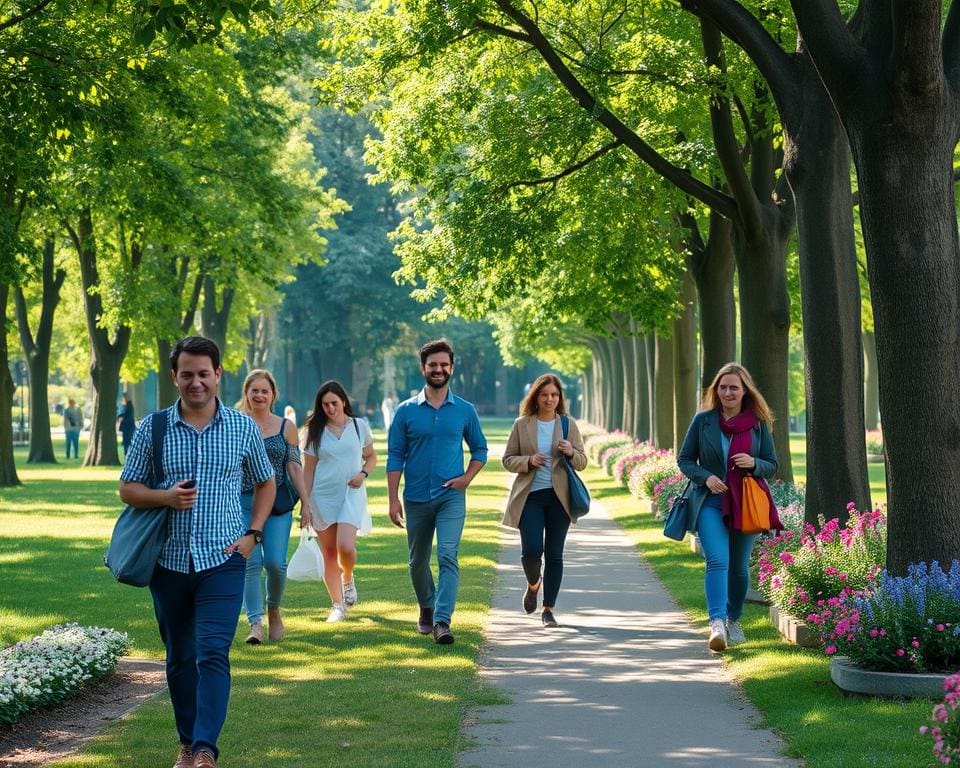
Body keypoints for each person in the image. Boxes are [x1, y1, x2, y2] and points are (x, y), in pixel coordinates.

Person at [119, 336, 275, 768]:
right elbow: (127, 489)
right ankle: (187, 742)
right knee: (180, 658)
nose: (196, 382)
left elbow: (266, 481)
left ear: (218, 375)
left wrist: (254, 533)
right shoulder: (154, 428)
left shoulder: (241, 428)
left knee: (211, 652)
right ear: (174, 377)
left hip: (224, 558)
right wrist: (165, 497)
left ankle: (205, 749)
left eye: (204, 373)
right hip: (167, 561)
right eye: (187, 374)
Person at [387, 339, 488, 645]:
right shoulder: (405, 412)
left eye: (444, 365)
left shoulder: (465, 411)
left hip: (450, 497)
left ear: (452, 368)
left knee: (447, 555)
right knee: (417, 562)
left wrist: (467, 478)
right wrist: (392, 498)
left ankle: (442, 621)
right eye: (433, 365)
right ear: (423, 368)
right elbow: (395, 456)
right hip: (416, 497)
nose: (439, 370)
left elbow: (480, 449)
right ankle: (426, 607)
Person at [677, 362, 781, 653]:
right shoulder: (703, 421)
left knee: (738, 568)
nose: (728, 392)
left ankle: (734, 618)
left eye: (734, 387)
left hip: (746, 502)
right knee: (718, 560)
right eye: (722, 387)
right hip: (710, 501)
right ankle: (717, 623)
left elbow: (773, 465)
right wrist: (706, 477)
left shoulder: (758, 423)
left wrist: (754, 463)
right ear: (716, 390)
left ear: (744, 390)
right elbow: (685, 459)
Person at [502, 374, 587, 628]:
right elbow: (507, 459)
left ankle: (548, 609)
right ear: (536, 397)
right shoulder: (522, 424)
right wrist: (528, 461)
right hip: (531, 497)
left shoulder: (567, 424)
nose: (550, 399)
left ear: (560, 398)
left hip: (560, 499)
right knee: (531, 552)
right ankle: (532, 584)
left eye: (554, 395)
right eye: (545, 395)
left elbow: (582, 461)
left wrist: (571, 452)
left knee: (554, 555)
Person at [237, 370, 310, 644]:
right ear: (246, 394)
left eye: (264, 391)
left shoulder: (286, 427)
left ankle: (274, 609)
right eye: (254, 390)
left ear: (273, 395)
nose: (259, 395)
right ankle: (255, 623)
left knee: (276, 564)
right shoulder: (237, 424)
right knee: (250, 563)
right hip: (243, 502)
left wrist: (306, 502)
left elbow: (294, 466)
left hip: (278, 505)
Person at [301, 381, 377, 623]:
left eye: (334, 403)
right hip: (322, 497)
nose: (330, 408)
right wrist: (305, 504)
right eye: (325, 405)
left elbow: (371, 456)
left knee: (345, 546)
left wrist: (363, 474)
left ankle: (348, 577)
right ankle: (337, 605)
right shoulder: (314, 430)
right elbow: (308, 471)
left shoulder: (358, 426)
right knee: (330, 552)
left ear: (344, 401)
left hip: (351, 494)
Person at [117, 393, 136, 459]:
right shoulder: (127, 406)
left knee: (127, 442)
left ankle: (128, 456)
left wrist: (119, 416)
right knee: (126, 442)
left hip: (128, 428)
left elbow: (125, 415)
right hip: (128, 428)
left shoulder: (128, 406)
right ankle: (127, 456)